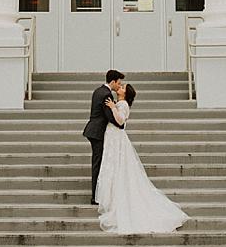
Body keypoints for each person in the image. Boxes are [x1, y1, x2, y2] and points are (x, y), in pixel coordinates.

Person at [95, 79, 189, 234]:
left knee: (117, 166)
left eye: (123, 87)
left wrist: (112, 108)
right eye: (121, 84)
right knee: (112, 165)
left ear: (126, 93)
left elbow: (120, 121)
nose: (120, 87)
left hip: (117, 138)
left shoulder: (123, 105)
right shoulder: (120, 103)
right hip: (112, 138)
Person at [81, 69, 122, 205]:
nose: (119, 86)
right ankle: (95, 196)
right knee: (97, 163)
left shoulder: (98, 90)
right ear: (113, 81)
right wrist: (121, 123)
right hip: (97, 132)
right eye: (118, 83)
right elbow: (109, 116)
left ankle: (97, 193)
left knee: (97, 162)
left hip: (92, 130)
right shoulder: (106, 94)